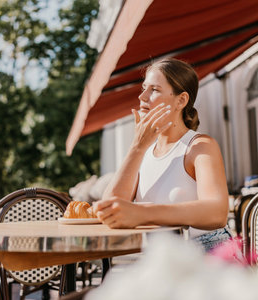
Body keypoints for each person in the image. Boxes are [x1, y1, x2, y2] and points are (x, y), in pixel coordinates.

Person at [93, 58, 232, 251]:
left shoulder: (199, 146)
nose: (142, 97)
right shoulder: (143, 151)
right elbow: (108, 209)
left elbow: (217, 214)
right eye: (143, 88)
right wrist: (137, 147)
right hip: (162, 258)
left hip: (207, 254)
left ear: (181, 100)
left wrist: (142, 212)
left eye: (154, 90)